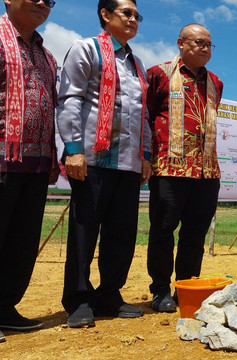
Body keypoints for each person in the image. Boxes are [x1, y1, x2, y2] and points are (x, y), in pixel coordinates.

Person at [57, 0, 151, 328]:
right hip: (93, 159)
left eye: (137, 15)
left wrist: (146, 155)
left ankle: (110, 294)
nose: (133, 19)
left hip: (128, 163)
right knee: (84, 231)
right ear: (105, 14)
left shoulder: (137, 63)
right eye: (127, 12)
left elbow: (142, 114)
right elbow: (70, 99)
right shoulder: (86, 49)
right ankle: (79, 299)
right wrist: (72, 149)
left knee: (121, 233)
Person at [145, 24, 223, 313]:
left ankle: (187, 287)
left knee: (195, 234)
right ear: (181, 43)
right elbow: (147, 116)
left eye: (209, 45)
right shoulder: (159, 74)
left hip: (206, 171)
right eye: (199, 42)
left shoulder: (216, 81)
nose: (205, 48)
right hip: (169, 167)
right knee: (163, 229)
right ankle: (160, 290)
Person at [0, 0, 58, 333]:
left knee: (21, 242)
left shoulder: (47, 55)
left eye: (49, 0)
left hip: (36, 164)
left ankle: (5, 307)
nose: (42, 3)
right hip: (2, 159)